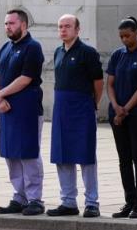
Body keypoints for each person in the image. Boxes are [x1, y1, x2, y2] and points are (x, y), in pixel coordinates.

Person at [47, 14, 103, 218]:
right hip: (62, 110)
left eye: (67, 26)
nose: (63, 30)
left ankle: (91, 202)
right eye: (60, 26)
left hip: (82, 109)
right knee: (62, 156)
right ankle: (68, 201)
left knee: (86, 156)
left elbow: (98, 83)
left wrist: (92, 104)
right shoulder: (58, 52)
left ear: (77, 30)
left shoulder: (88, 52)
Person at [0, 9, 45, 216]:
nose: (8, 27)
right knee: (11, 153)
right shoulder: (5, 47)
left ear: (23, 25)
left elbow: (26, 78)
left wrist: (0, 95)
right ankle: (19, 196)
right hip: (6, 108)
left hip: (27, 108)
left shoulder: (33, 47)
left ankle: (35, 199)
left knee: (28, 153)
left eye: (12, 23)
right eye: (6, 24)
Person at [106, 16, 137, 219]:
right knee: (123, 159)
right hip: (118, 115)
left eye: (127, 35)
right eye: (121, 36)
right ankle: (129, 201)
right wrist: (116, 107)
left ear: (136, 33)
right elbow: (110, 83)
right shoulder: (118, 55)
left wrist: (125, 109)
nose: (124, 40)